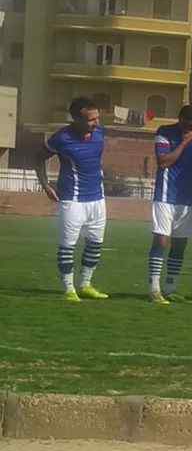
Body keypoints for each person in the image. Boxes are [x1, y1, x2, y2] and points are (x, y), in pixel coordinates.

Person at [39, 96, 110, 301]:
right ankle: (69, 289)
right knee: (68, 245)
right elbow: (38, 158)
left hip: (98, 198)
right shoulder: (62, 138)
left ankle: (85, 285)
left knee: (95, 243)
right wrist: (45, 185)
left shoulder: (99, 133)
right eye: (91, 119)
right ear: (77, 119)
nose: (96, 123)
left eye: (97, 118)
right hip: (73, 200)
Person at [147, 103, 192, 304]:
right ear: (180, 120)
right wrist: (185, 142)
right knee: (161, 241)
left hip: (189, 199)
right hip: (165, 196)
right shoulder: (164, 132)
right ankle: (154, 288)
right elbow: (164, 162)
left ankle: (170, 288)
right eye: (188, 125)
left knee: (179, 245)